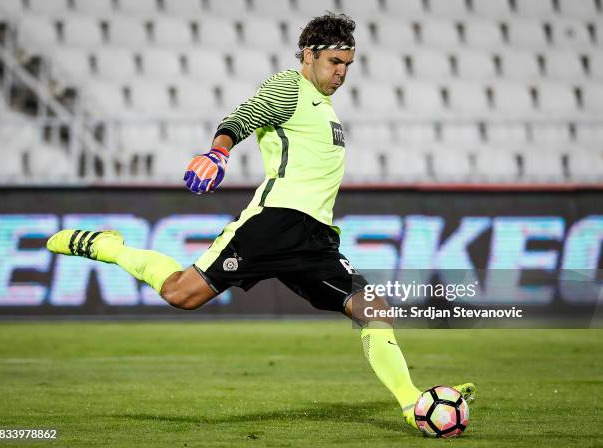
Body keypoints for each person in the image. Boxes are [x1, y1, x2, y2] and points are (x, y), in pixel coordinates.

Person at [46, 13, 474, 430]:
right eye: (335, 62)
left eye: (348, 64)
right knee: (181, 294)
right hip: (273, 225)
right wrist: (219, 151)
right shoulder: (289, 87)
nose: (342, 73)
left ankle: (412, 405)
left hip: (315, 239)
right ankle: (107, 247)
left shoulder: (324, 108)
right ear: (309, 55)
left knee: (374, 311)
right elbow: (245, 117)